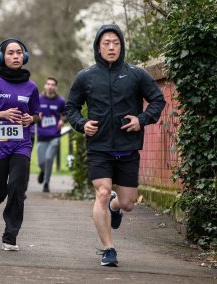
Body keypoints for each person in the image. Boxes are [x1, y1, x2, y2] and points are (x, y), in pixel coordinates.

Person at [65, 24, 165, 267]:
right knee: (101, 192)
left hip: (128, 148)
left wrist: (141, 120)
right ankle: (109, 249)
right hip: (99, 148)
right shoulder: (86, 76)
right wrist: (82, 123)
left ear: (121, 45)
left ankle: (115, 204)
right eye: (106, 43)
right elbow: (71, 108)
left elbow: (157, 100)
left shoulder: (136, 74)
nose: (111, 47)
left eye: (116, 42)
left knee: (128, 203)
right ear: (98, 47)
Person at [0, 38, 40, 251]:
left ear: (25, 56)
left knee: (17, 186)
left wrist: (30, 119)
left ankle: (10, 236)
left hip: (21, 144)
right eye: (11, 52)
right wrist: (1, 114)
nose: (15, 56)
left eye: (19, 52)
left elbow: (37, 114)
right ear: (2, 57)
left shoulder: (31, 86)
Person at [36, 77, 66, 192]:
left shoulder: (60, 101)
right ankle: (43, 171)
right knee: (41, 162)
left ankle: (46, 183)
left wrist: (62, 120)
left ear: (56, 87)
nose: (50, 86)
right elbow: (32, 112)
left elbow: (67, 113)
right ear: (45, 85)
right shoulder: (38, 98)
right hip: (42, 135)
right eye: (48, 84)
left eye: (53, 84)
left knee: (49, 158)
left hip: (54, 135)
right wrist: (36, 116)